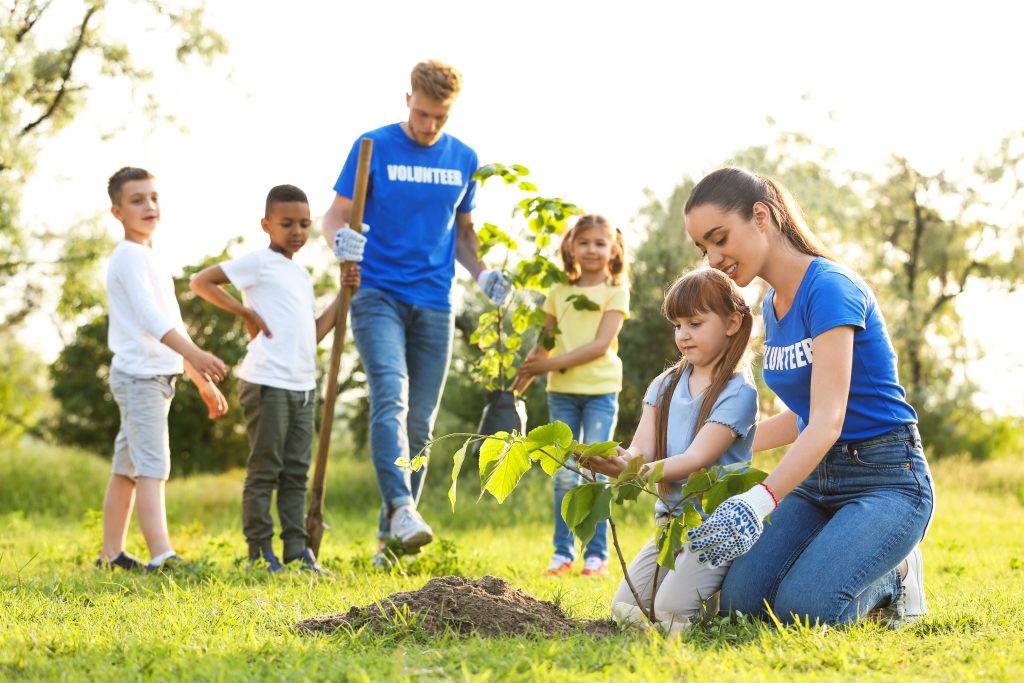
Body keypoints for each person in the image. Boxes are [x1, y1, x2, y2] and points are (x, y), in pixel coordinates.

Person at [683, 167, 934, 626]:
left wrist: (759, 501)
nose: (713, 258)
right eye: (704, 248)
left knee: (806, 612)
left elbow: (827, 421)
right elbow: (801, 417)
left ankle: (896, 575)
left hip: (885, 477)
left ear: (761, 215)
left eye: (720, 238)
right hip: (817, 479)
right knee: (742, 605)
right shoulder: (772, 307)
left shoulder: (831, 288)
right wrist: (713, 444)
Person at [322, 60, 512, 565]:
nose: (430, 127)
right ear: (407, 99)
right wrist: (338, 243)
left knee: (423, 425)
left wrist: (483, 274)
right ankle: (403, 507)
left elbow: (464, 235)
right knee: (392, 396)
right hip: (376, 291)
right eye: (424, 114)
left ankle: (391, 539)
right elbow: (337, 214)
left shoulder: (464, 158)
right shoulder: (373, 147)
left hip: (435, 299)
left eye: (440, 118)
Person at [190, 185, 361, 574]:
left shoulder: (300, 274)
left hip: (303, 385)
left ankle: (297, 551)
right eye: (287, 224)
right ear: (267, 225)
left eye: (304, 224)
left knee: (296, 472)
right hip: (267, 382)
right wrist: (246, 314)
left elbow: (315, 333)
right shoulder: (259, 263)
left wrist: (343, 293)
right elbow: (201, 282)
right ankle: (259, 552)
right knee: (265, 469)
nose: (297, 232)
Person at [583, 267, 758, 630]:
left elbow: (696, 459)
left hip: (717, 527)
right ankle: (697, 595)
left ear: (732, 323)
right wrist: (615, 460)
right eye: (678, 325)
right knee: (624, 610)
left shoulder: (738, 392)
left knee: (670, 615)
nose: (683, 335)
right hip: (671, 524)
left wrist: (635, 473)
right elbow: (640, 449)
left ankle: (725, 594)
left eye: (695, 323)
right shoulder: (665, 384)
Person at [98, 166, 229, 572]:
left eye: (153, 197)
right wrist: (199, 354)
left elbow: (168, 320)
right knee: (153, 465)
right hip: (140, 378)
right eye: (137, 200)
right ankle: (162, 556)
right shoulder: (129, 257)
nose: (149, 206)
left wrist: (197, 376)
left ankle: (111, 555)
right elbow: (153, 320)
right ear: (117, 212)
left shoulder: (148, 256)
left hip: (149, 375)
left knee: (128, 466)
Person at [516, 215, 630, 577]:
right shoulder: (559, 293)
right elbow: (543, 347)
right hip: (562, 393)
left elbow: (599, 347)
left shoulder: (616, 291)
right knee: (565, 474)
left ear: (613, 248)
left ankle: (595, 556)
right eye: (584, 242)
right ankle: (561, 554)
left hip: (600, 390)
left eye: (600, 242)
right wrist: (514, 390)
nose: (592, 249)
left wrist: (545, 367)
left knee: (595, 469)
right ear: (571, 247)